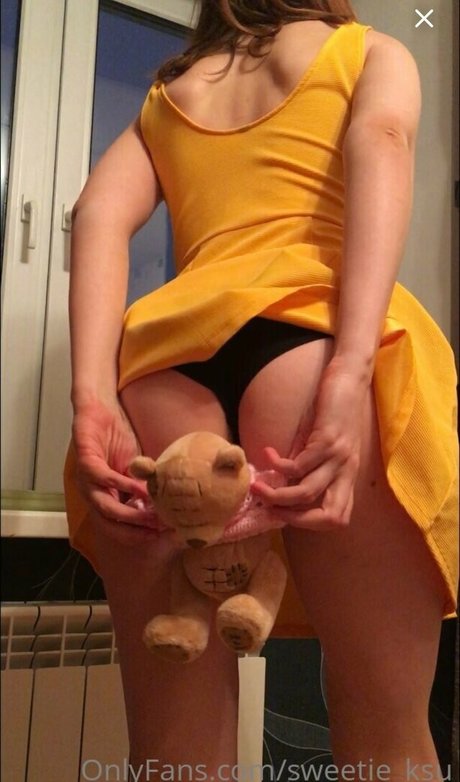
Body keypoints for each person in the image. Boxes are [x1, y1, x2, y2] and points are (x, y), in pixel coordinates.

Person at [64, 0, 458, 777]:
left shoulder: (171, 93)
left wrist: (92, 398)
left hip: (165, 377)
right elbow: (383, 141)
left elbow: (95, 214)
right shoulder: (370, 51)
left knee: (172, 755)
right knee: (383, 738)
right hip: (311, 346)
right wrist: (350, 366)